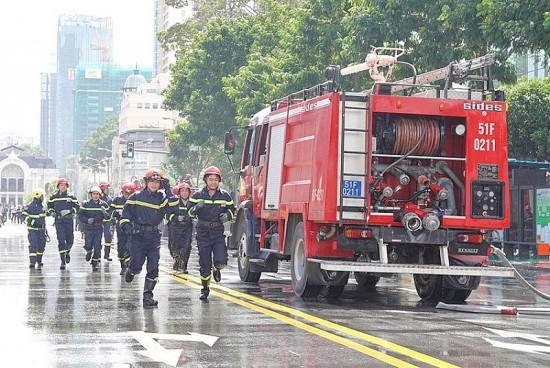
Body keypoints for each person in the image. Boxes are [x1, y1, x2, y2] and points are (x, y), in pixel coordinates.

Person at [119, 168, 177, 308]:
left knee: (153, 267)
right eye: (152, 181)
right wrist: (128, 228)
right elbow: (125, 216)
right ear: (146, 182)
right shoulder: (135, 197)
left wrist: (169, 191)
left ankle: (148, 296)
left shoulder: (163, 199)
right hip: (137, 236)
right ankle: (131, 270)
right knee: (137, 265)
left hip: (153, 237)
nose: (154, 184)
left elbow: (175, 209)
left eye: (157, 182)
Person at [188, 166, 235, 301]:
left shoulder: (225, 196)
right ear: (206, 180)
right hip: (203, 232)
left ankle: (217, 267)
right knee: (204, 263)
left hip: (217, 232)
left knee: (221, 260)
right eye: (210, 179)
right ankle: (205, 289)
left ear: (219, 181)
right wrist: (197, 207)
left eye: (215, 180)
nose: (213, 182)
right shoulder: (198, 196)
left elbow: (232, 211)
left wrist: (227, 215)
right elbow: (189, 212)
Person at [47, 178, 80, 270]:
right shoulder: (53, 197)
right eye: (61, 185)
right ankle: (63, 261)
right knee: (61, 241)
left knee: (70, 241)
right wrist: (52, 212)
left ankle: (67, 252)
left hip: (68, 221)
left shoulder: (71, 197)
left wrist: (69, 211)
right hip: (59, 221)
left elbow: (77, 207)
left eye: (65, 185)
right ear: (58, 186)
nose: (63, 187)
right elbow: (49, 207)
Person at [78, 186, 110, 271]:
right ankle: (88, 251)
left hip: (98, 228)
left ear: (100, 195)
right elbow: (80, 216)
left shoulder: (104, 204)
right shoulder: (86, 204)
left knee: (97, 246)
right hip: (88, 228)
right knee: (88, 244)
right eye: (93, 194)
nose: (95, 196)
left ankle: (95, 262)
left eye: (97, 194)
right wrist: (87, 220)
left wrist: (106, 215)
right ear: (91, 195)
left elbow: (108, 216)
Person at [167, 183, 194, 273]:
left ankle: (184, 265)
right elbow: (166, 214)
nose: (185, 193)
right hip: (175, 227)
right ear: (179, 192)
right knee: (174, 246)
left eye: (186, 191)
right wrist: (175, 218)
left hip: (187, 227)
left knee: (187, 246)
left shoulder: (192, 202)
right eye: (182, 191)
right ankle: (176, 259)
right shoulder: (174, 202)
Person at [111, 182, 136, 275]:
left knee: (130, 246)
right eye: (125, 193)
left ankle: (130, 265)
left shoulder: (136, 200)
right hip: (120, 227)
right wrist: (115, 213)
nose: (127, 195)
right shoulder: (117, 200)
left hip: (131, 226)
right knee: (121, 247)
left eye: (129, 193)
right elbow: (110, 211)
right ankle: (123, 265)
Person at [22, 189, 47, 269]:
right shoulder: (30, 206)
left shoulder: (42, 206)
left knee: (41, 246)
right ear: (38, 196)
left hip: (41, 230)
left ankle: (39, 260)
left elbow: (43, 217)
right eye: (42, 196)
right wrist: (32, 222)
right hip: (33, 230)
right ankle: (32, 262)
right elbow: (24, 216)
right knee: (33, 245)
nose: (43, 198)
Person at [99, 182, 114, 261]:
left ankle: (107, 254)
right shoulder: (98, 198)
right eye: (106, 189)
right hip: (98, 222)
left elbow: (112, 210)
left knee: (108, 237)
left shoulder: (110, 199)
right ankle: (97, 255)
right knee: (97, 239)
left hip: (108, 221)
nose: (108, 190)